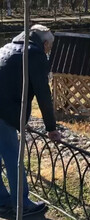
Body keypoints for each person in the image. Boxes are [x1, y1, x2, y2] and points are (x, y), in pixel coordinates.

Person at [0, 24, 61, 217]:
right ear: (44, 44)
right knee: (13, 157)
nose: (49, 51)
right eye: (50, 47)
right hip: (5, 112)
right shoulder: (34, 55)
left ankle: (2, 200)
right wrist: (51, 128)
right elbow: (43, 94)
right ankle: (22, 204)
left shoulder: (8, 48)